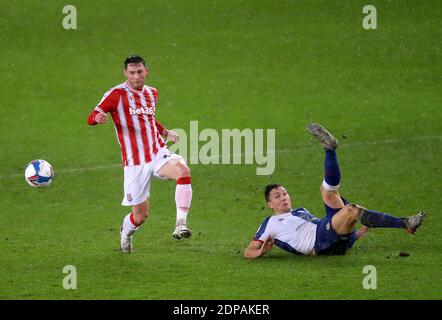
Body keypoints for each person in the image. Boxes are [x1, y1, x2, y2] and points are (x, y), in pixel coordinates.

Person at [244, 123, 425, 259]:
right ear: (270, 204)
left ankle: (330, 149)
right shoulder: (270, 223)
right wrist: (261, 251)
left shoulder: (300, 211)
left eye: (284, 193)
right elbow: (248, 252)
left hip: (327, 235)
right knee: (351, 209)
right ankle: (405, 223)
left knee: (327, 191)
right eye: (277, 196)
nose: (283, 197)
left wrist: (353, 235)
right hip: (319, 243)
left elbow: (333, 232)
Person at [87, 55, 193, 253]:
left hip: (157, 152)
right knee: (140, 215)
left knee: (183, 171)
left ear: (146, 72)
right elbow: (92, 115)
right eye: (132, 72)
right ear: (126, 73)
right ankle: (125, 233)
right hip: (134, 163)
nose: (136, 76)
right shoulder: (116, 94)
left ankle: (180, 224)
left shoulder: (152, 93)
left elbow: (148, 117)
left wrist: (164, 132)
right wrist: (97, 117)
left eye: (140, 72)